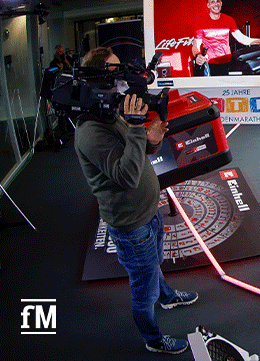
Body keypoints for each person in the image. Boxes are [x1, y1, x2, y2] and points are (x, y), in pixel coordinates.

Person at [74, 47, 198, 354]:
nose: (121, 79)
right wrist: (133, 128)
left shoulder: (110, 112)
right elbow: (127, 176)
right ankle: (153, 340)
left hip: (148, 212)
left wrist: (150, 139)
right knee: (143, 289)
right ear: (98, 77)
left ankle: (167, 297)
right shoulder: (90, 132)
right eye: (114, 71)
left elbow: (136, 153)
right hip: (131, 225)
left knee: (153, 264)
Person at [192, 0, 260, 76]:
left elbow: (241, 38)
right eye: (212, 2)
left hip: (226, 62)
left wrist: (257, 41)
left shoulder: (228, 20)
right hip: (209, 63)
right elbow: (195, 46)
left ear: (221, 3)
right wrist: (198, 55)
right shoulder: (201, 23)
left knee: (225, 88)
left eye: (218, 1)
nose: (216, 4)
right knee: (213, 88)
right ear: (208, 5)